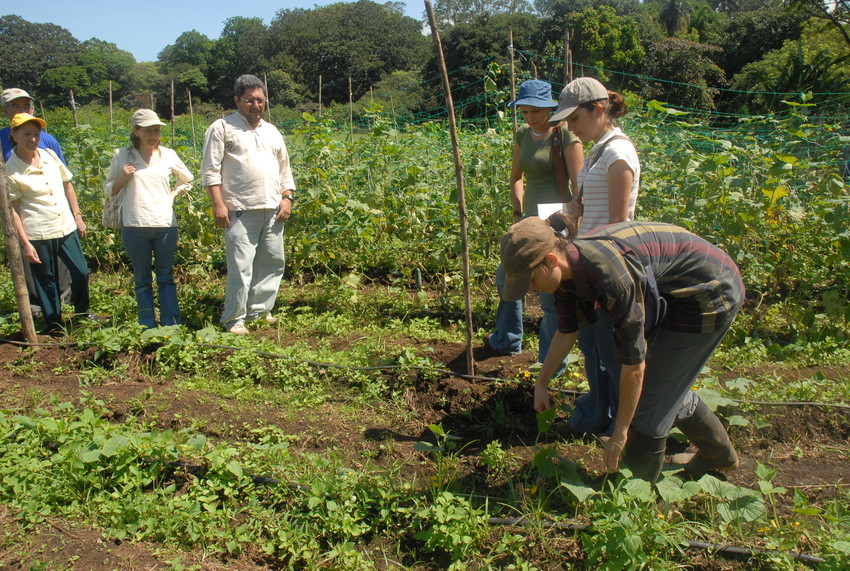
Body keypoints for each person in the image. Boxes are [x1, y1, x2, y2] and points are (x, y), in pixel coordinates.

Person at [500, 214, 744, 483]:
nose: (532, 290)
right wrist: (541, 383)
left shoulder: (610, 275)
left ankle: (635, 499)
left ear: (550, 261)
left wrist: (621, 431)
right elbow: (566, 331)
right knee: (662, 387)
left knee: (647, 407)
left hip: (710, 292)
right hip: (674, 290)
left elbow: (634, 367)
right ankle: (719, 455)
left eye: (531, 281)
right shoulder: (567, 270)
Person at [547, 77, 642, 437]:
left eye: (575, 119)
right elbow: (587, 206)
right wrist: (564, 217)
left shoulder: (619, 154)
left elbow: (619, 225)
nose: (570, 127)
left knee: (610, 351)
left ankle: (620, 426)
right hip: (587, 260)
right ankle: (595, 416)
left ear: (598, 110)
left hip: (606, 266)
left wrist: (602, 278)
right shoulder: (599, 149)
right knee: (592, 348)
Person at [485, 79, 583, 368]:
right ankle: (507, 339)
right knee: (507, 276)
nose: (530, 118)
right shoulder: (523, 135)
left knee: (552, 297)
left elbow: (580, 186)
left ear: (549, 108)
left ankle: (551, 364)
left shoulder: (565, 136)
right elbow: (516, 176)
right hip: (528, 222)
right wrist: (518, 214)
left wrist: (568, 223)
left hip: (555, 225)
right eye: (525, 112)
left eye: (535, 111)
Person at [201, 74, 295, 335]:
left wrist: (287, 197)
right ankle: (234, 319)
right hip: (239, 209)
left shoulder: (272, 131)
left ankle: (260, 311)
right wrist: (218, 205)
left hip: (273, 209)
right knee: (241, 267)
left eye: (261, 101)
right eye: (250, 100)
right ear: (236, 100)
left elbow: (284, 169)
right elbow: (210, 171)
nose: (256, 105)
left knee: (273, 263)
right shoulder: (222, 128)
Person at [104, 109, 193, 329]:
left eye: (156, 130)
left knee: (165, 276)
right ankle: (147, 325)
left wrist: (172, 194)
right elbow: (109, 189)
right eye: (148, 131)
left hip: (164, 223)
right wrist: (123, 177)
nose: (154, 135)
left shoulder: (168, 154)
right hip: (134, 224)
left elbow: (187, 178)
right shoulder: (123, 155)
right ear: (136, 131)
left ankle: (171, 324)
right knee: (142, 279)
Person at [4, 113, 92, 334]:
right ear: (13, 135)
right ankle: (54, 324)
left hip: (65, 225)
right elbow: (13, 210)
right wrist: (25, 243)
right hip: (37, 230)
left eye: (36, 133)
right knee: (47, 280)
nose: (33, 138)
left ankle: (81, 313)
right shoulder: (11, 169)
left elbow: (68, 185)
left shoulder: (50, 155)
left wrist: (78, 216)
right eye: (26, 134)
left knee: (81, 271)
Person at [1, 88, 73, 312]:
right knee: (32, 259)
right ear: (5, 111)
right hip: (21, 209)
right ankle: (36, 304)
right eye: (15, 106)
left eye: (26, 105)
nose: (22, 109)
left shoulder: (48, 140)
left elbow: (63, 177)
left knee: (59, 262)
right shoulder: (2, 137)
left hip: (52, 212)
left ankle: (63, 302)